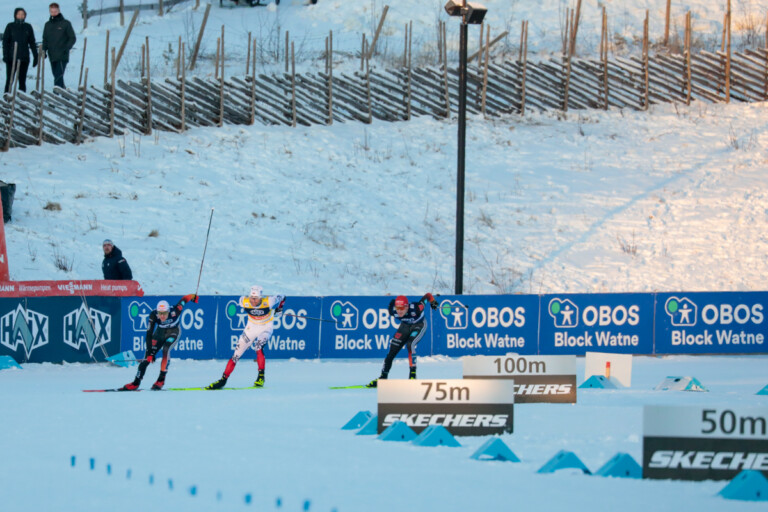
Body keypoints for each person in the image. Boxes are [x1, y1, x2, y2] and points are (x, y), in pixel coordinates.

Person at [206, 285, 285, 390]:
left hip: (266, 327)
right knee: (235, 355)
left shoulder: (269, 301)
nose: (253, 301)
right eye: (252, 298)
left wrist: (279, 309)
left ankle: (261, 377)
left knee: (258, 347)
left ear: (260, 297)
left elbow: (283, 296)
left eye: (256, 298)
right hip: (251, 328)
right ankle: (223, 380)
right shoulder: (243, 300)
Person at [121, 294, 199, 390]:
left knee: (166, 349)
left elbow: (184, 299)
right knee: (146, 358)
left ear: (168, 311)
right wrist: (150, 353)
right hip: (160, 332)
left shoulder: (176, 310)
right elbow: (149, 334)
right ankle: (136, 383)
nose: (162, 316)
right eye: (160, 313)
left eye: (164, 313)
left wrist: (193, 296)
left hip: (174, 331)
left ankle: (161, 379)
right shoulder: (153, 315)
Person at [366, 293, 438, 388]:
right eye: (397, 308)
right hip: (405, 326)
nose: (399, 311)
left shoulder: (417, 308)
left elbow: (428, 295)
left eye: (401, 308)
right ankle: (383, 377)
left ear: (407, 307)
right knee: (392, 350)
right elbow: (391, 303)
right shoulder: (393, 311)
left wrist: (433, 302)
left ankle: (412, 375)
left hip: (419, 325)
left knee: (410, 344)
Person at [3, 8, 38, 94]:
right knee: (10, 80)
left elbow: (32, 42)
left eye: (23, 14)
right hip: (12, 58)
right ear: (15, 15)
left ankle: (22, 100)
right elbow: (5, 42)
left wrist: (35, 56)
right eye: (19, 14)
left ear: (25, 16)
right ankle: (7, 98)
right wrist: (6, 56)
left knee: (22, 80)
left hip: (24, 57)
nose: (21, 16)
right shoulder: (10, 26)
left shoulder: (28, 27)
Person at [42, 2, 74, 89]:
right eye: (51, 11)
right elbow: (45, 39)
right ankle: (65, 96)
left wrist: (66, 47)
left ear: (59, 11)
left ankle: (55, 96)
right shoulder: (47, 25)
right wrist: (44, 50)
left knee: (58, 76)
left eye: (55, 11)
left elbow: (72, 37)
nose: (54, 13)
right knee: (57, 77)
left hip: (62, 55)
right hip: (52, 55)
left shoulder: (65, 23)